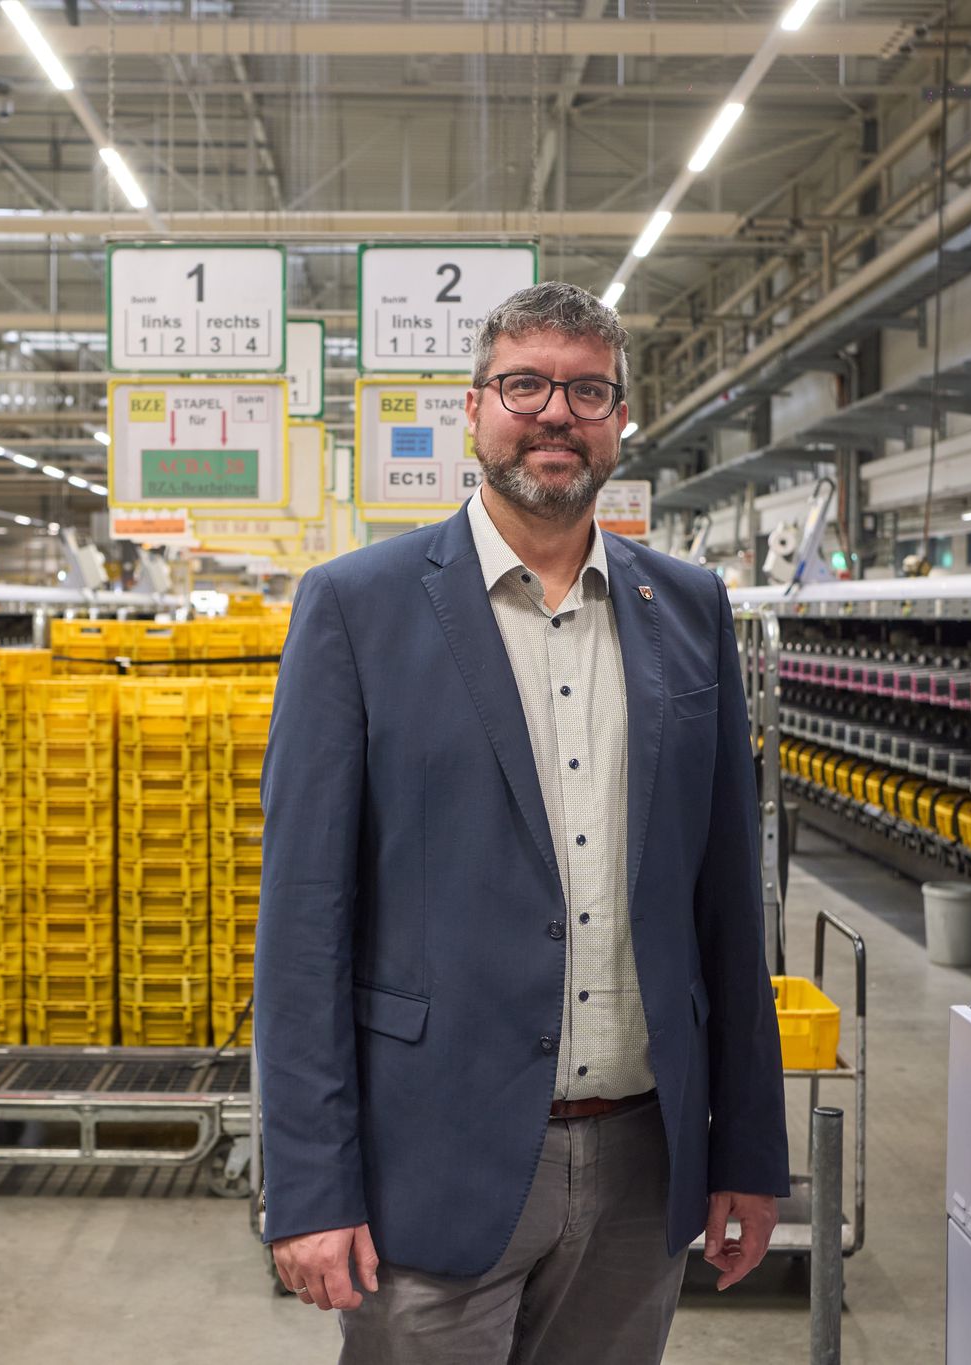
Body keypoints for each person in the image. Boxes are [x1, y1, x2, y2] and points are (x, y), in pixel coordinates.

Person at [254, 280, 790, 1362]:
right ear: (473, 408)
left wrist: (748, 1150)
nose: (555, 412)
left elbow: (728, 900)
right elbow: (305, 920)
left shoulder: (688, 609)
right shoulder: (357, 606)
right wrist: (310, 1182)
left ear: (621, 418)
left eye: (586, 390)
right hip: (432, 1153)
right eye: (524, 384)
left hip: (642, 1158)